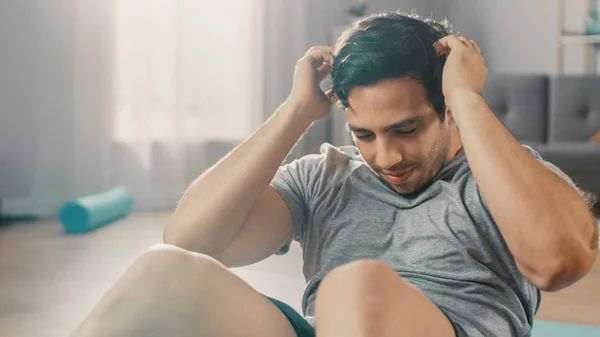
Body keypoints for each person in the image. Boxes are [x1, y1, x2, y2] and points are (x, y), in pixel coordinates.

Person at [71, 11, 598, 337]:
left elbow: (558, 263)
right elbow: (191, 240)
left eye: (406, 129)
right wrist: (296, 112)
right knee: (164, 269)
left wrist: (465, 92)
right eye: (364, 135)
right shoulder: (324, 176)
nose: (386, 157)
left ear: (448, 110)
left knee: (358, 283)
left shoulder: (506, 178)